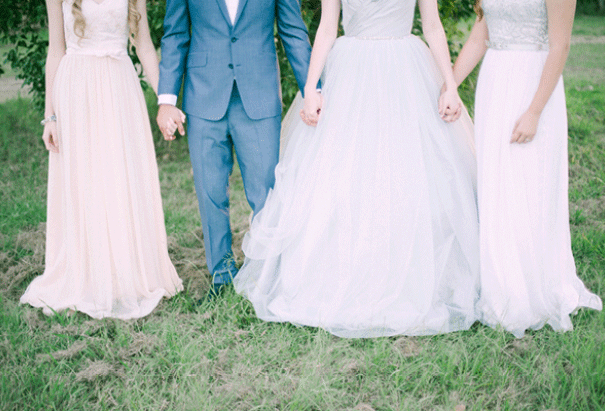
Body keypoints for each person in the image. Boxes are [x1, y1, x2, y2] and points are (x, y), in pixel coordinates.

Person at [233, 0, 480, 338]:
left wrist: (450, 84)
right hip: (351, 72)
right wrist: (310, 88)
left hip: (404, 72)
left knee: (408, 173)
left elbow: (433, 26)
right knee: (342, 174)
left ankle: (409, 277)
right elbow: (327, 27)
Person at [20, 0, 183, 319]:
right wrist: (49, 115)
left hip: (119, 88)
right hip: (76, 90)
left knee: (120, 180)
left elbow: (146, 48)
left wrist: (166, 101)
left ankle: (125, 273)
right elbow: (56, 51)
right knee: (86, 182)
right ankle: (88, 275)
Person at [450, 0, 602, 337]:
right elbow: (480, 37)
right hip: (494, 83)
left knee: (528, 184)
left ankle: (530, 286)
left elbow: (560, 45)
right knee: (496, 183)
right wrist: (450, 85)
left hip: (534, 85)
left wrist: (534, 111)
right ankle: (499, 281)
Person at [156, 0, 315, 298]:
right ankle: (221, 275)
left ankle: (265, 276)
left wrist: (312, 90)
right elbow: (174, 34)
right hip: (203, 94)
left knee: (266, 191)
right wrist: (167, 99)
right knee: (210, 191)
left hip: (259, 92)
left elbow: (293, 31)